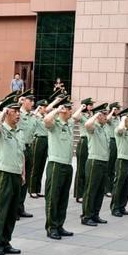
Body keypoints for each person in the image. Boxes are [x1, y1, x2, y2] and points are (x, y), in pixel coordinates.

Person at [0, 95, 25, 255]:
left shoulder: (19, 131)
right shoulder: (1, 129)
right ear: (7, 112)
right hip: (3, 174)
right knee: (0, 211)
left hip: (16, 175)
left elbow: (21, 154)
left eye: (19, 111)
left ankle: (6, 241)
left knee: (11, 212)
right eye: (15, 111)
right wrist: (3, 112)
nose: (18, 114)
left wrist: (23, 173)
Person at [43, 95, 81, 239]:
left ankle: (59, 224)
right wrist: (57, 108)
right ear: (63, 111)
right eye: (69, 109)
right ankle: (51, 227)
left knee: (63, 197)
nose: (72, 111)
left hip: (67, 164)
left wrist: (82, 107)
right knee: (53, 197)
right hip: (56, 165)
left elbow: (76, 117)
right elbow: (46, 119)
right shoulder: (54, 124)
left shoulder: (69, 123)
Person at [81, 103, 110, 226]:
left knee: (99, 190)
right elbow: (87, 124)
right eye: (103, 114)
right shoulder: (93, 127)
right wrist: (95, 115)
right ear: (98, 116)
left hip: (103, 161)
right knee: (91, 190)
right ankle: (87, 216)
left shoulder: (104, 128)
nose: (106, 116)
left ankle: (95, 214)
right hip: (94, 161)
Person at [110, 107, 128, 217]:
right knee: (119, 185)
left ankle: (122, 206)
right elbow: (120, 130)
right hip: (121, 160)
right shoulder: (118, 130)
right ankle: (115, 207)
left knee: (127, 185)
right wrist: (122, 120)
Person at [15, 91, 36, 219]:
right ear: (24, 101)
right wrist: (18, 102)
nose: (32, 103)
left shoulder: (33, 116)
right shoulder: (18, 114)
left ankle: (20, 206)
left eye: (33, 101)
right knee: (18, 179)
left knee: (25, 179)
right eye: (30, 100)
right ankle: (14, 208)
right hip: (19, 148)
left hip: (29, 148)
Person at [28, 99, 50, 198]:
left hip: (46, 140)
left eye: (45, 107)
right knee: (35, 165)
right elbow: (31, 117)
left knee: (41, 166)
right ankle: (32, 189)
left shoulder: (45, 117)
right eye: (43, 107)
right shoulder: (35, 116)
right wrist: (37, 110)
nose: (45, 108)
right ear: (40, 107)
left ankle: (37, 189)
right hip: (38, 140)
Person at [73, 98, 94, 202]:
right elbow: (75, 116)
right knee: (81, 169)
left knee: (87, 169)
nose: (92, 107)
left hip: (91, 142)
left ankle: (85, 191)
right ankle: (79, 194)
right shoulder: (82, 115)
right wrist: (81, 108)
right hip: (83, 141)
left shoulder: (91, 115)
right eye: (90, 105)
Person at [105, 102, 121, 196]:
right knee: (109, 166)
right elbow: (107, 119)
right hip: (111, 141)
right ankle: (107, 189)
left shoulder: (118, 118)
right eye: (117, 109)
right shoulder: (109, 117)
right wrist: (112, 112)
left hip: (117, 142)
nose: (118, 110)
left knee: (114, 167)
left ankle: (112, 187)